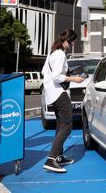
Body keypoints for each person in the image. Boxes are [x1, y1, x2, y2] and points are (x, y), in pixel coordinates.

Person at [41, 29, 85, 173]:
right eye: (73, 41)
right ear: (68, 40)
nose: (73, 44)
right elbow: (56, 77)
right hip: (59, 94)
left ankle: (58, 156)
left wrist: (67, 74)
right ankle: (51, 159)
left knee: (60, 126)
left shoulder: (52, 53)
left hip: (51, 94)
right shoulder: (60, 54)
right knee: (67, 126)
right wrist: (74, 79)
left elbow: (44, 72)